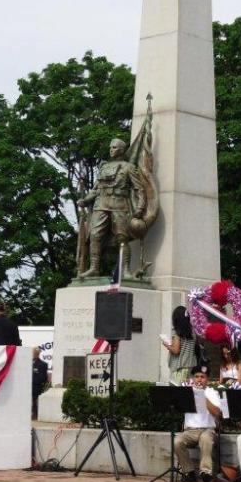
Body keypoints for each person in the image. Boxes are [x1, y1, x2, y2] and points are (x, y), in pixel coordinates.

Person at [76, 137, 147, 278]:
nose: (111, 150)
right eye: (110, 147)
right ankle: (94, 268)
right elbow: (96, 189)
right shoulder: (104, 167)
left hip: (119, 205)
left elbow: (139, 189)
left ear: (121, 150)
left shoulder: (128, 167)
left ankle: (126, 271)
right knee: (95, 236)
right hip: (101, 205)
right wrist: (85, 200)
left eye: (114, 147)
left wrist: (140, 207)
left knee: (122, 238)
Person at [173, 364, 222, 482]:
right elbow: (177, 407)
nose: (199, 379)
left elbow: (217, 413)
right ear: (193, 378)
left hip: (208, 430)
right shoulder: (187, 392)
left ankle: (206, 472)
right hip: (190, 431)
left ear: (207, 379)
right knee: (177, 441)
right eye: (197, 377)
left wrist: (202, 396)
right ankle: (188, 472)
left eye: (202, 377)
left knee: (205, 438)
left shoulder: (212, 392)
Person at [161, 305, 198, 385]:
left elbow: (176, 350)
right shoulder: (192, 332)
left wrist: (166, 345)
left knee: (177, 390)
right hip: (190, 366)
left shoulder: (177, 332)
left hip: (180, 367)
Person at [31, 347, 49, 420]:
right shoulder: (28, 362)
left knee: (35, 401)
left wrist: (35, 383)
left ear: (38, 353)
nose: (34, 353)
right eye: (34, 352)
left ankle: (35, 414)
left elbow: (43, 378)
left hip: (36, 387)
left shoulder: (43, 364)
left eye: (36, 352)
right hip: (27, 386)